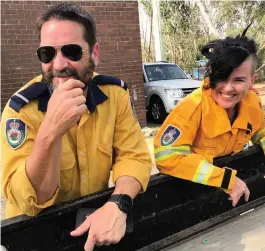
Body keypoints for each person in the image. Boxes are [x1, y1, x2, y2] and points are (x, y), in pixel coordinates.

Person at [1, 3, 152, 250]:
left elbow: (134, 157)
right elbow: (28, 199)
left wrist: (119, 204)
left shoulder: (114, 96)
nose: (59, 65)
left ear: (94, 53)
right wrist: (51, 129)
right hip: (37, 239)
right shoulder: (20, 110)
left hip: (94, 229)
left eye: (71, 51)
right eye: (47, 54)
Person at [154, 25, 265, 208]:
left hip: (230, 194)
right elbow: (166, 156)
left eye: (238, 80)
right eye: (221, 78)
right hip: (191, 196)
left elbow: (259, 131)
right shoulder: (193, 107)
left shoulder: (252, 102)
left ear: (252, 80)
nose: (228, 88)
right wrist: (226, 180)